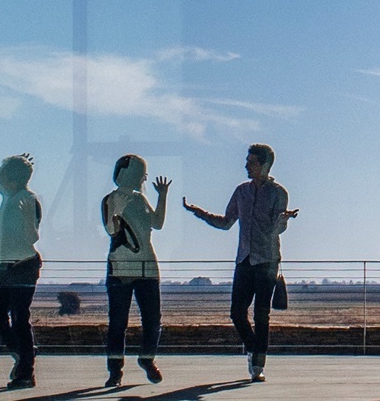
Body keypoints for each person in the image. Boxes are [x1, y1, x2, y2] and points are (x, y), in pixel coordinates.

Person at [185, 143, 300, 383]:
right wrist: (199, 213)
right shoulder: (241, 192)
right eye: (247, 161)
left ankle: (258, 365)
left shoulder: (278, 192)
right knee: (237, 313)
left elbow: (277, 229)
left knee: (262, 315)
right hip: (244, 259)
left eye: (252, 162)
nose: (246, 166)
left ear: (265, 165)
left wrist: (283, 220)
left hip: (267, 261)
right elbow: (226, 222)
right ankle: (254, 349)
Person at [100, 154, 169, 387]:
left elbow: (158, 224)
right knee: (118, 322)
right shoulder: (111, 199)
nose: (142, 178)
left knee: (153, 319)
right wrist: (119, 206)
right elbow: (111, 228)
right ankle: (115, 370)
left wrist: (162, 197)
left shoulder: (140, 200)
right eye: (139, 173)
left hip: (147, 265)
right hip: (120, 266)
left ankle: (147, 358)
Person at [0, 155, 44, 389]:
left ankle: (26, 371)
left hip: (23, 264)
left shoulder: (28, 199)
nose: (2, 178)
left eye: (5, 173)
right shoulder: (8, 195)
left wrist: (25, 218)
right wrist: (8, 163)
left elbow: (33, 236)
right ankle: (24, 352)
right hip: (4, 265)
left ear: (14, 178)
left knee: (20, 318)